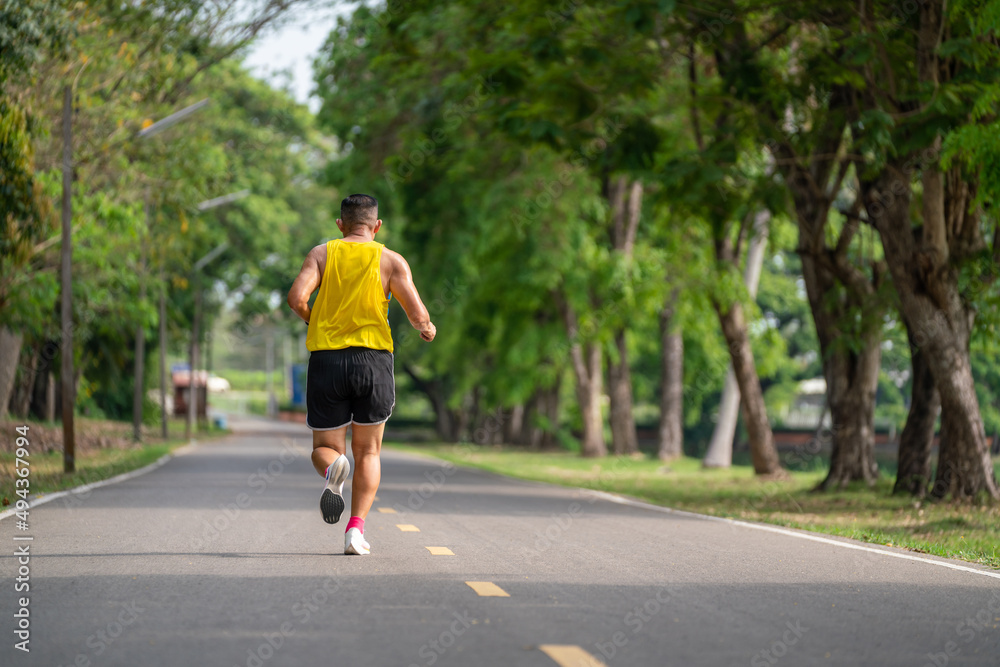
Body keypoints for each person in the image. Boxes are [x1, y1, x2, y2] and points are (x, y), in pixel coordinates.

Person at [287, 194, 435, 555]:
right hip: (374, 361)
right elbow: (417, 313)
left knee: (325, 449)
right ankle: (355, 531)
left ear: (340, 225)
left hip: (328, 361)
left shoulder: (322, 254)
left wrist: (315, 319)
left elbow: (296, 297)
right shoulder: (391, 260)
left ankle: (334, 468)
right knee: (369, 451)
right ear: (377, 225)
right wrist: (426, 327)